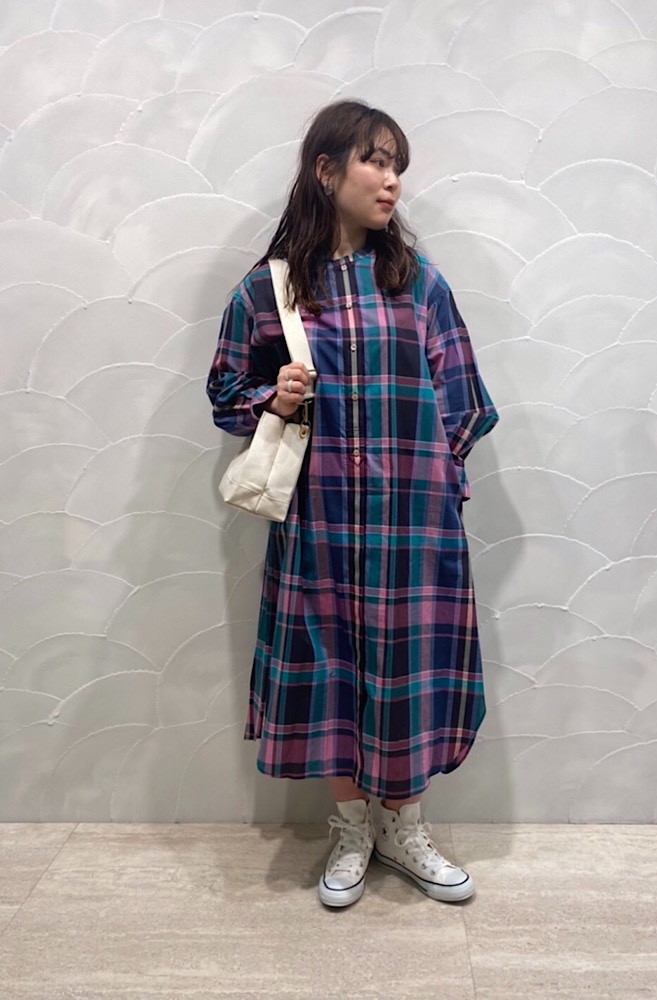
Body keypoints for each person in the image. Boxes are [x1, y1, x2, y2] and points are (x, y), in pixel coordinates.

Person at [207, 100, 498, 908]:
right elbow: (226, 394)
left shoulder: (418, 283)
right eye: (376, 160)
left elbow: (464, 399)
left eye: (398, 164)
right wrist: (274, 395)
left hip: (412, 527)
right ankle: (352, 828)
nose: (392, 180)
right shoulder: (270, 291)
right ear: (326, 170)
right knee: (330, 668)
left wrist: (435, 483)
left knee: (409, 670)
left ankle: (405, 827)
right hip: (319, 523)